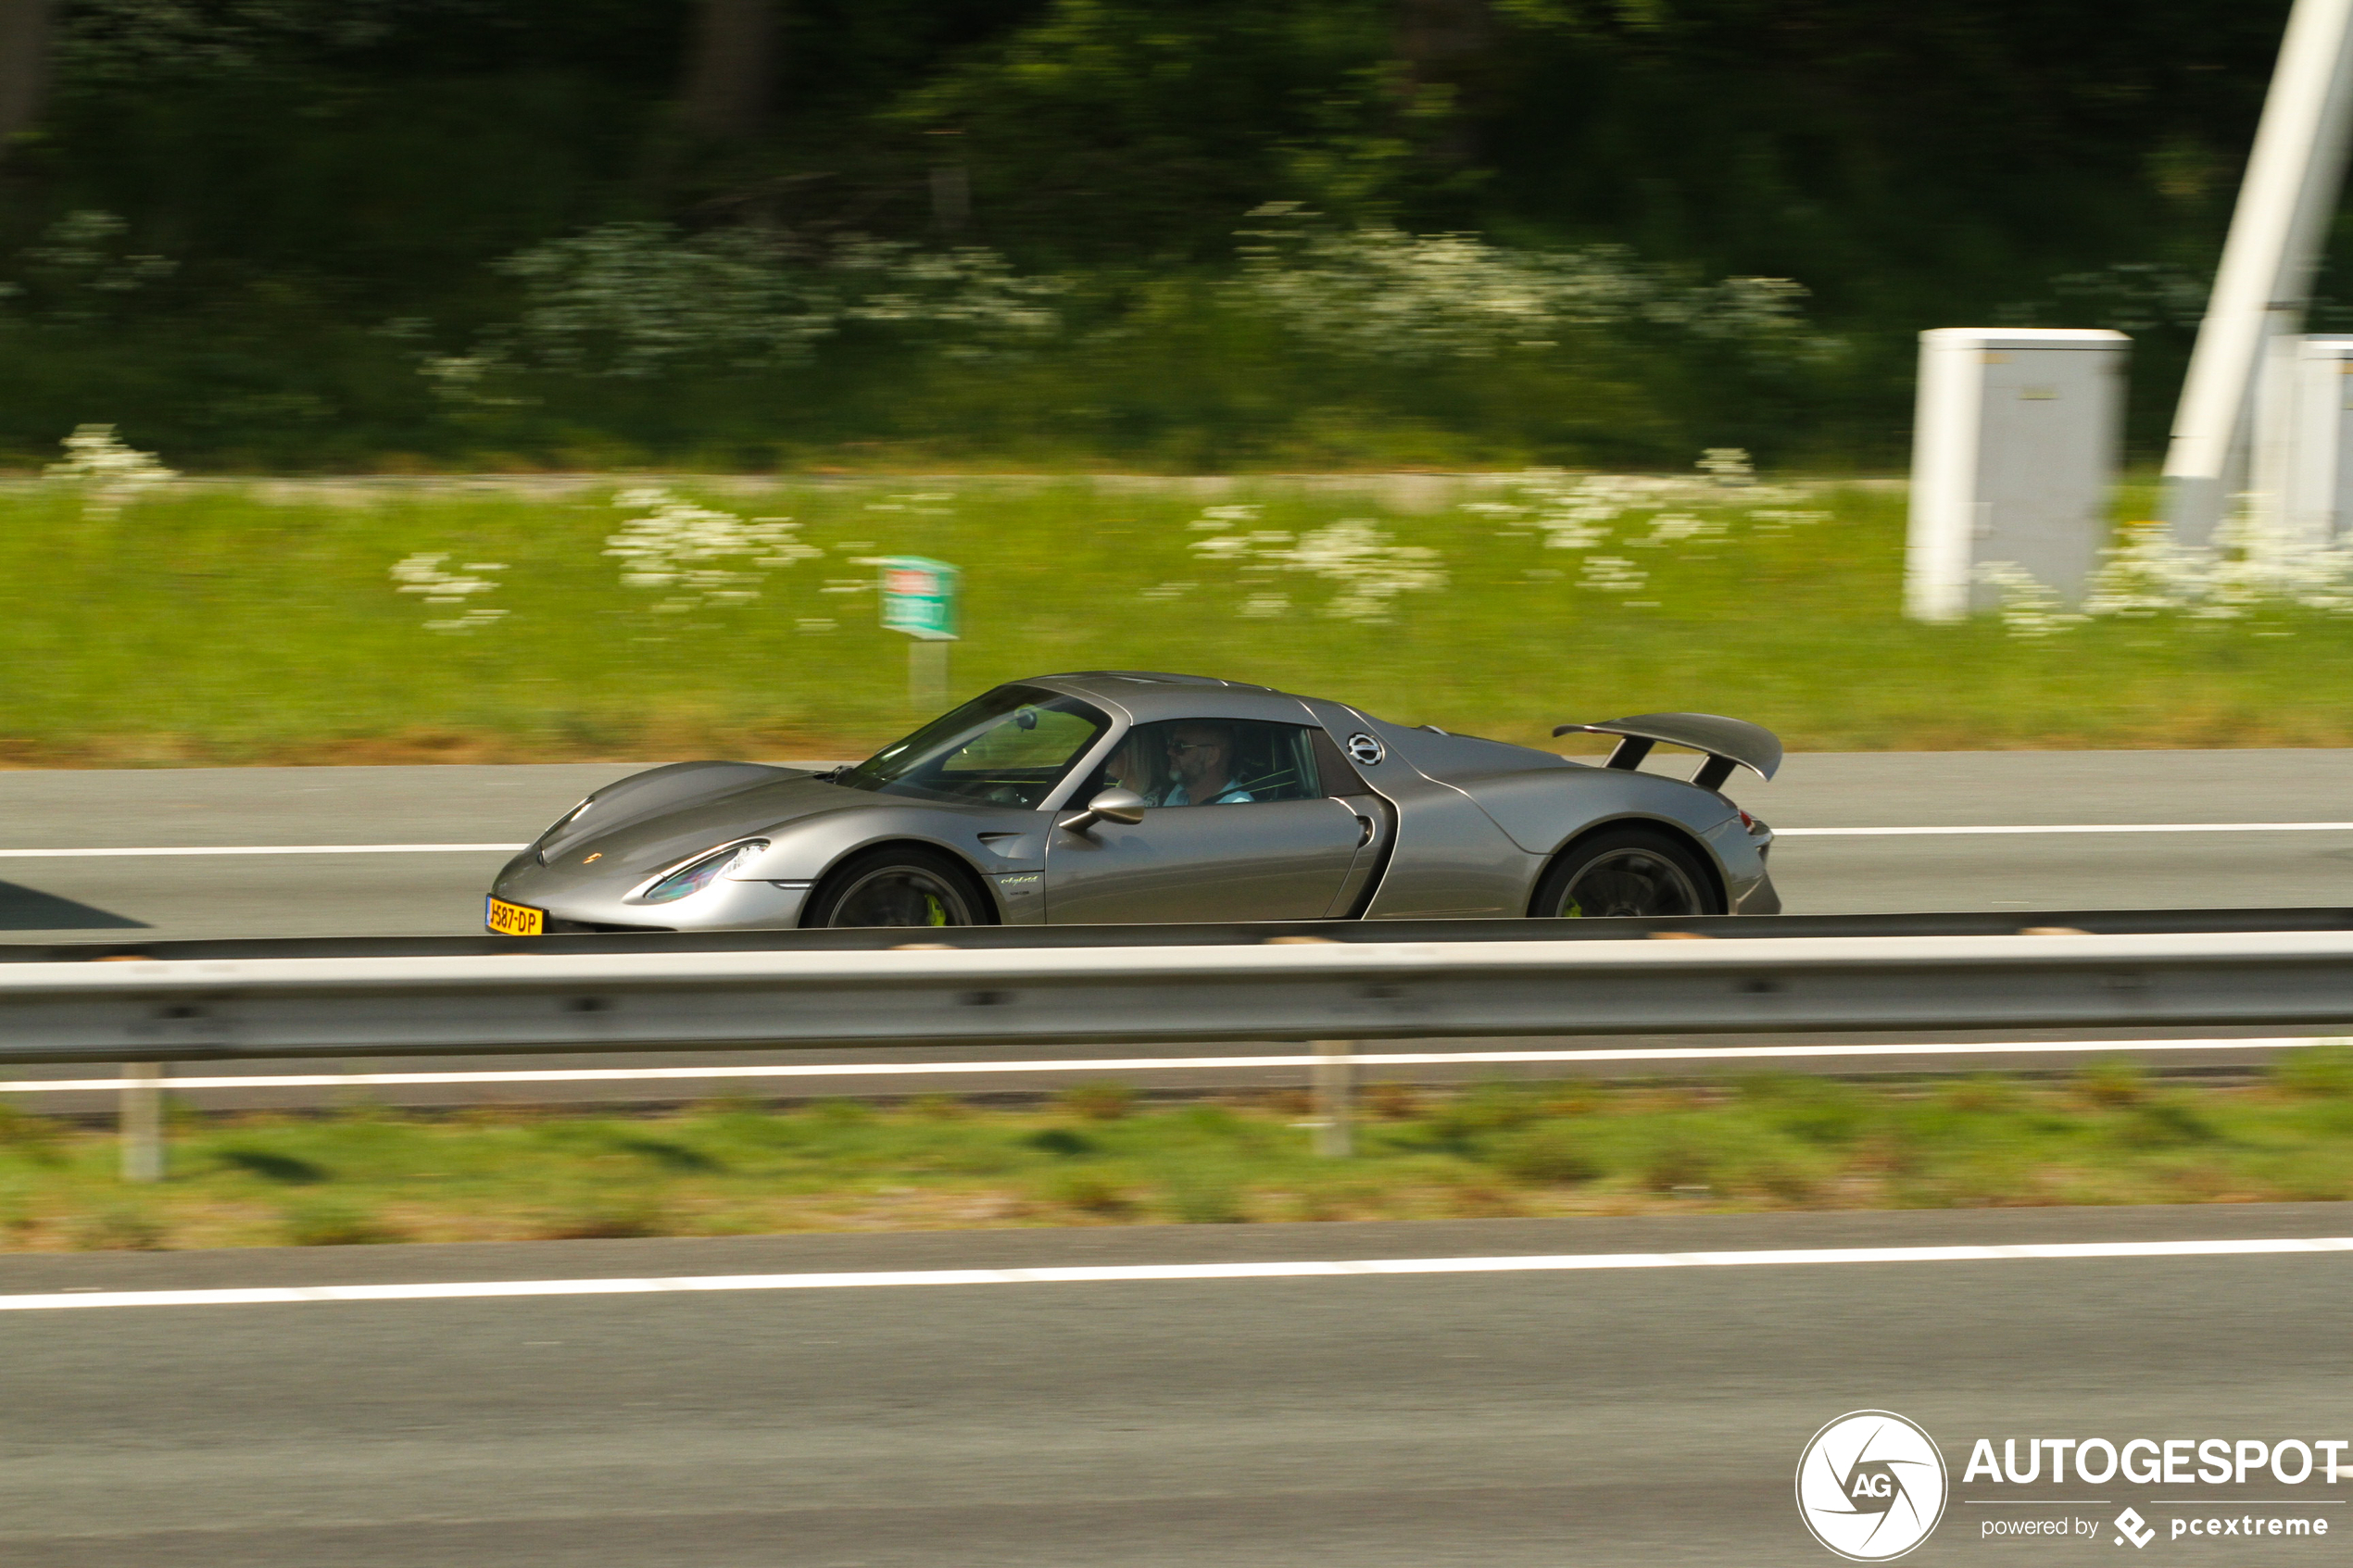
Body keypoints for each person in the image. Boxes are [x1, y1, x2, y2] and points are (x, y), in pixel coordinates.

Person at [1162, 721, 1254, 805]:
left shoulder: (1237, 808)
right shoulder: (1179, 793)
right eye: (1171, 744)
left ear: (1211, 756)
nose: (1169, 752)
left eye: (1179, 746)